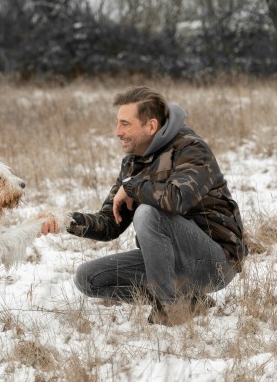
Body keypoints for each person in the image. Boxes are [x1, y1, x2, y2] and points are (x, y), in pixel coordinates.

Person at [43, 86, 247, 326]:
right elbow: (110, 224)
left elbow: (177, 198)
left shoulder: (191, 149)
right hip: (167, 260)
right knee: (88, 278)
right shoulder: (133, 163)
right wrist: (65, 220)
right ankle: (190, 301)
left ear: (151, 126)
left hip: (215, 262)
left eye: (125, 124)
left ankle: (169, 308)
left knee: (148, 212)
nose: (117, 132)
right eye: (117, 123)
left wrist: (132, 187)